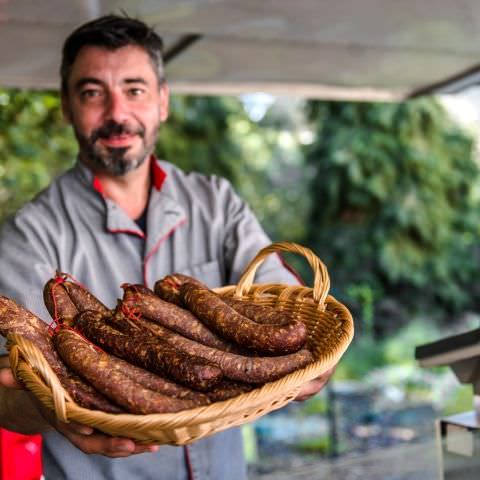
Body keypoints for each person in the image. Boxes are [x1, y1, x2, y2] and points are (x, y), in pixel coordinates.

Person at [0, 14, 333, 480]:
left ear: (162, 102)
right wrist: (56, 411)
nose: (118, 113)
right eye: (93, 92)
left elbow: (291, 316)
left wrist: (315, 364)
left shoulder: (217, 203)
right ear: (67, 107)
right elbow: (6, 392)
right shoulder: (28, 236)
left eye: (135, 89)